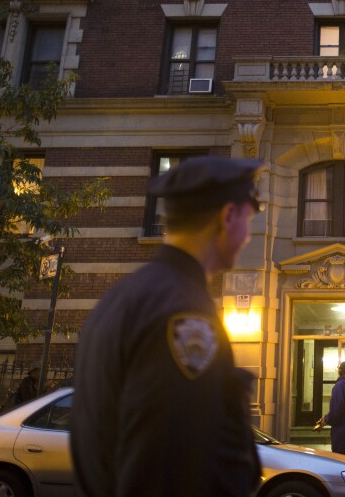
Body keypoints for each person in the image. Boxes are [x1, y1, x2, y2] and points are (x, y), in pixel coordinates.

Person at [70, 155, 264, 497]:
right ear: (228, 216)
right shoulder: (183, 314)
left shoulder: (121, 298)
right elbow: (168, 469)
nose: (248, 236)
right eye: (249, 220)